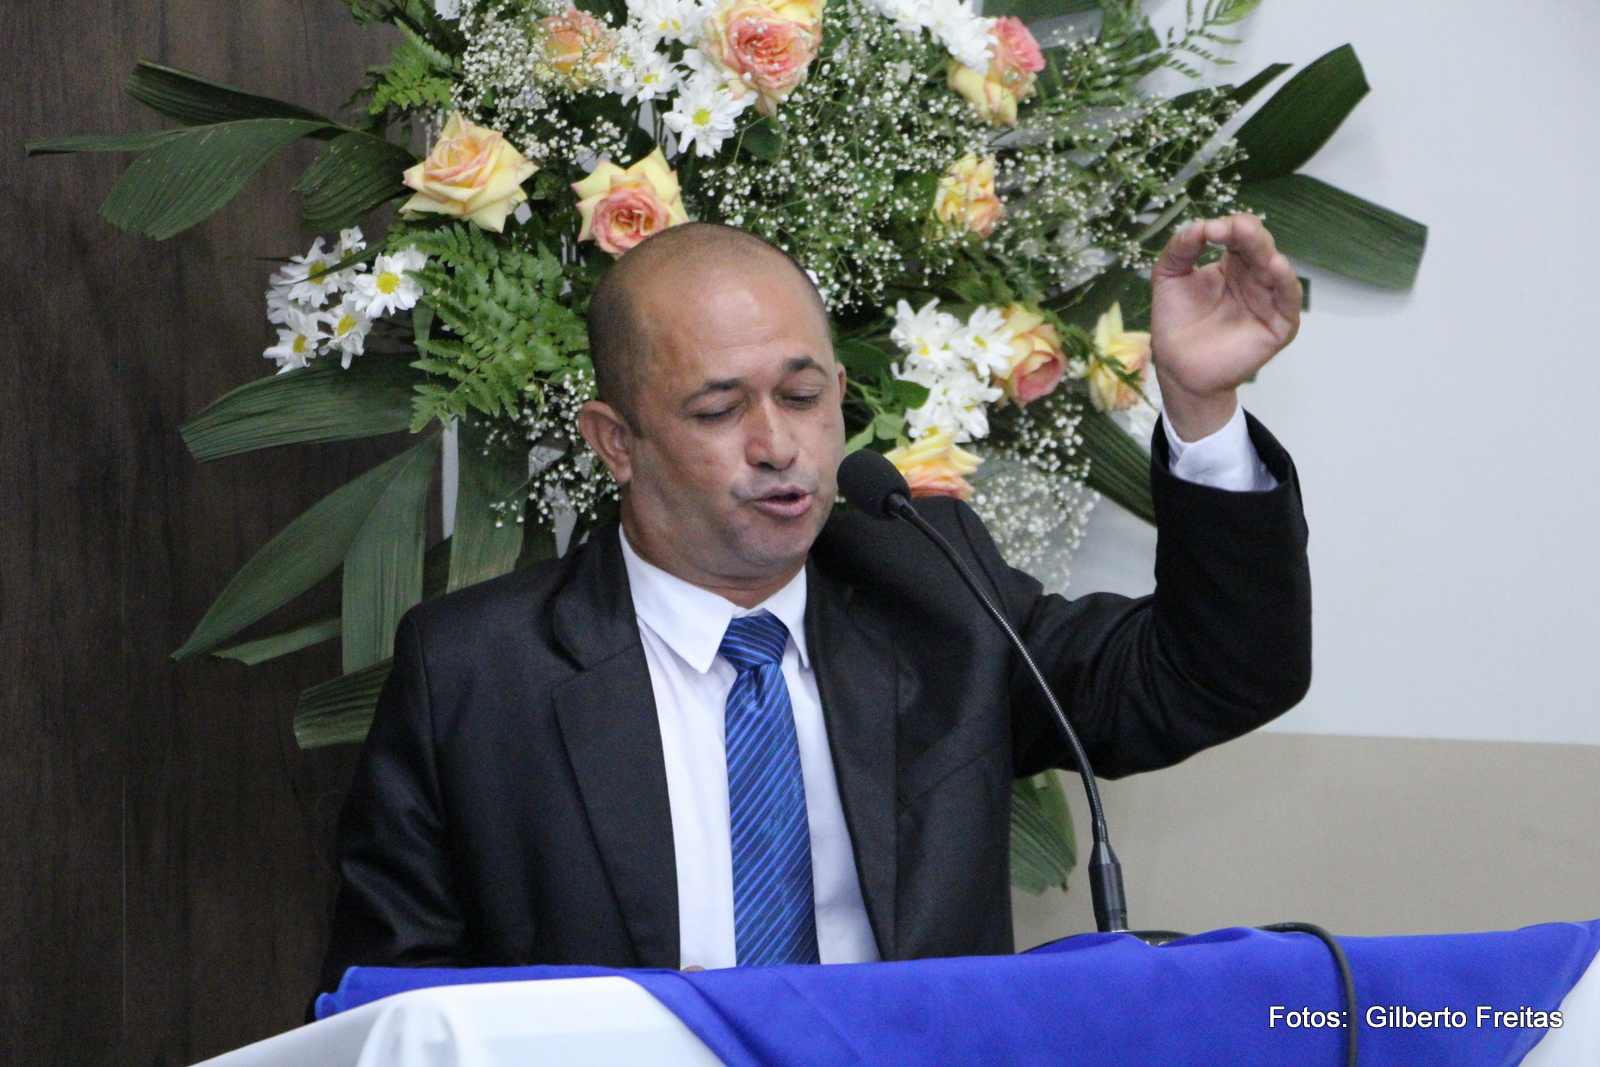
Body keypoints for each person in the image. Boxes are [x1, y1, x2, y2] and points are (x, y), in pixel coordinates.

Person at [317, 216, 1310, 989]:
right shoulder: (478, 671)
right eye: (718, 409)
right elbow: (391, 1003)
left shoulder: (932, 596)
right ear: (615, 441)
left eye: (801, 397)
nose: (777, 445)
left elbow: (1211, 672)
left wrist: (1200, 410)